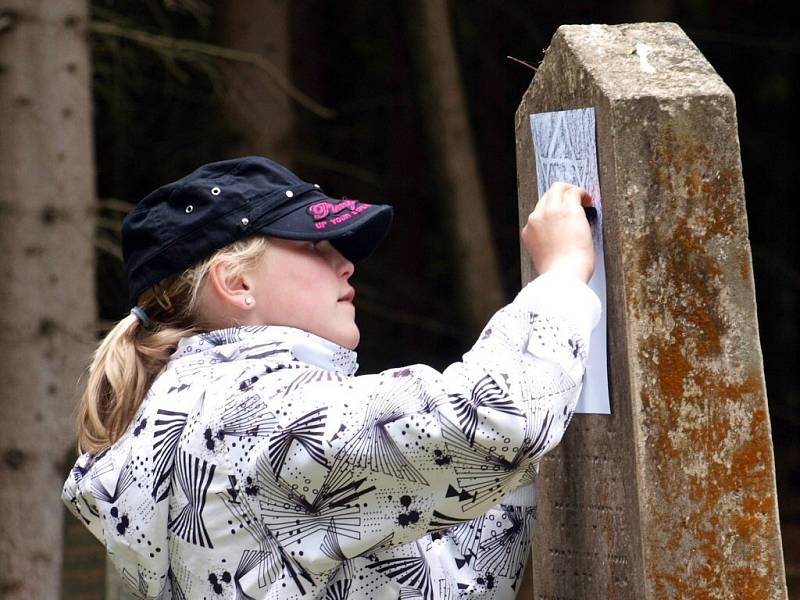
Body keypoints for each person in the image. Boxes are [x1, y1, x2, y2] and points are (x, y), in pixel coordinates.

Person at [63, 156, 599, 599]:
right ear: (236, 280)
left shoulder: (184, 414)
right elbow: (497, 416)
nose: (345, 263)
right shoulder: (256, 413)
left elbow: (452, 584)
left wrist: (517, 468)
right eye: (314, 243)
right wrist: (561, 276)